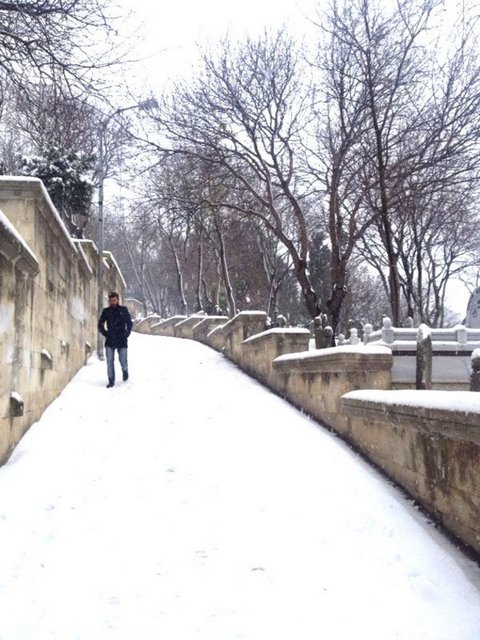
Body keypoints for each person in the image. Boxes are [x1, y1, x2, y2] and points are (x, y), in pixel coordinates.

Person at [98, 292, 133, 388]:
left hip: (122, 339)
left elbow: (129, 323)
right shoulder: (106, 311)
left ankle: (125, 370)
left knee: (123, 360)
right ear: (109, 301)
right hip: (110, 340)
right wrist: (106, 333)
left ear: (118, 300)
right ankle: (111, 380)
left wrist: (126, 334)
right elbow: (100, 324)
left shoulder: (123, 310)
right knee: (109, 361)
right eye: (111, 301)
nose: (113, 302)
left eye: (114, 300)